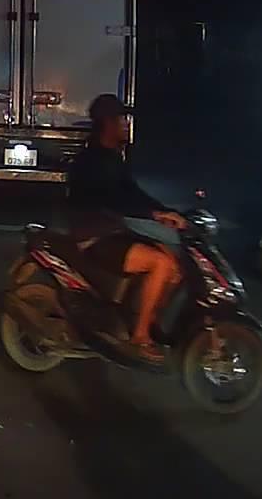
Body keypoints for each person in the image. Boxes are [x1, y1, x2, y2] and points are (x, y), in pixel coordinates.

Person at [67, 94, 185, 364]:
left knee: (175, 265)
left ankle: (148, 319)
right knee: (161, 264)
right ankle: (140, 338)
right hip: (94, 237)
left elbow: (132, 192)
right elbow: (114, 199)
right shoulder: (90, 161)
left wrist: (167, 213)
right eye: (122, 119)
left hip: (113, 231)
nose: (126, 124)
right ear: (108, 124)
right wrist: (153, 214)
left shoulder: (112, 157)